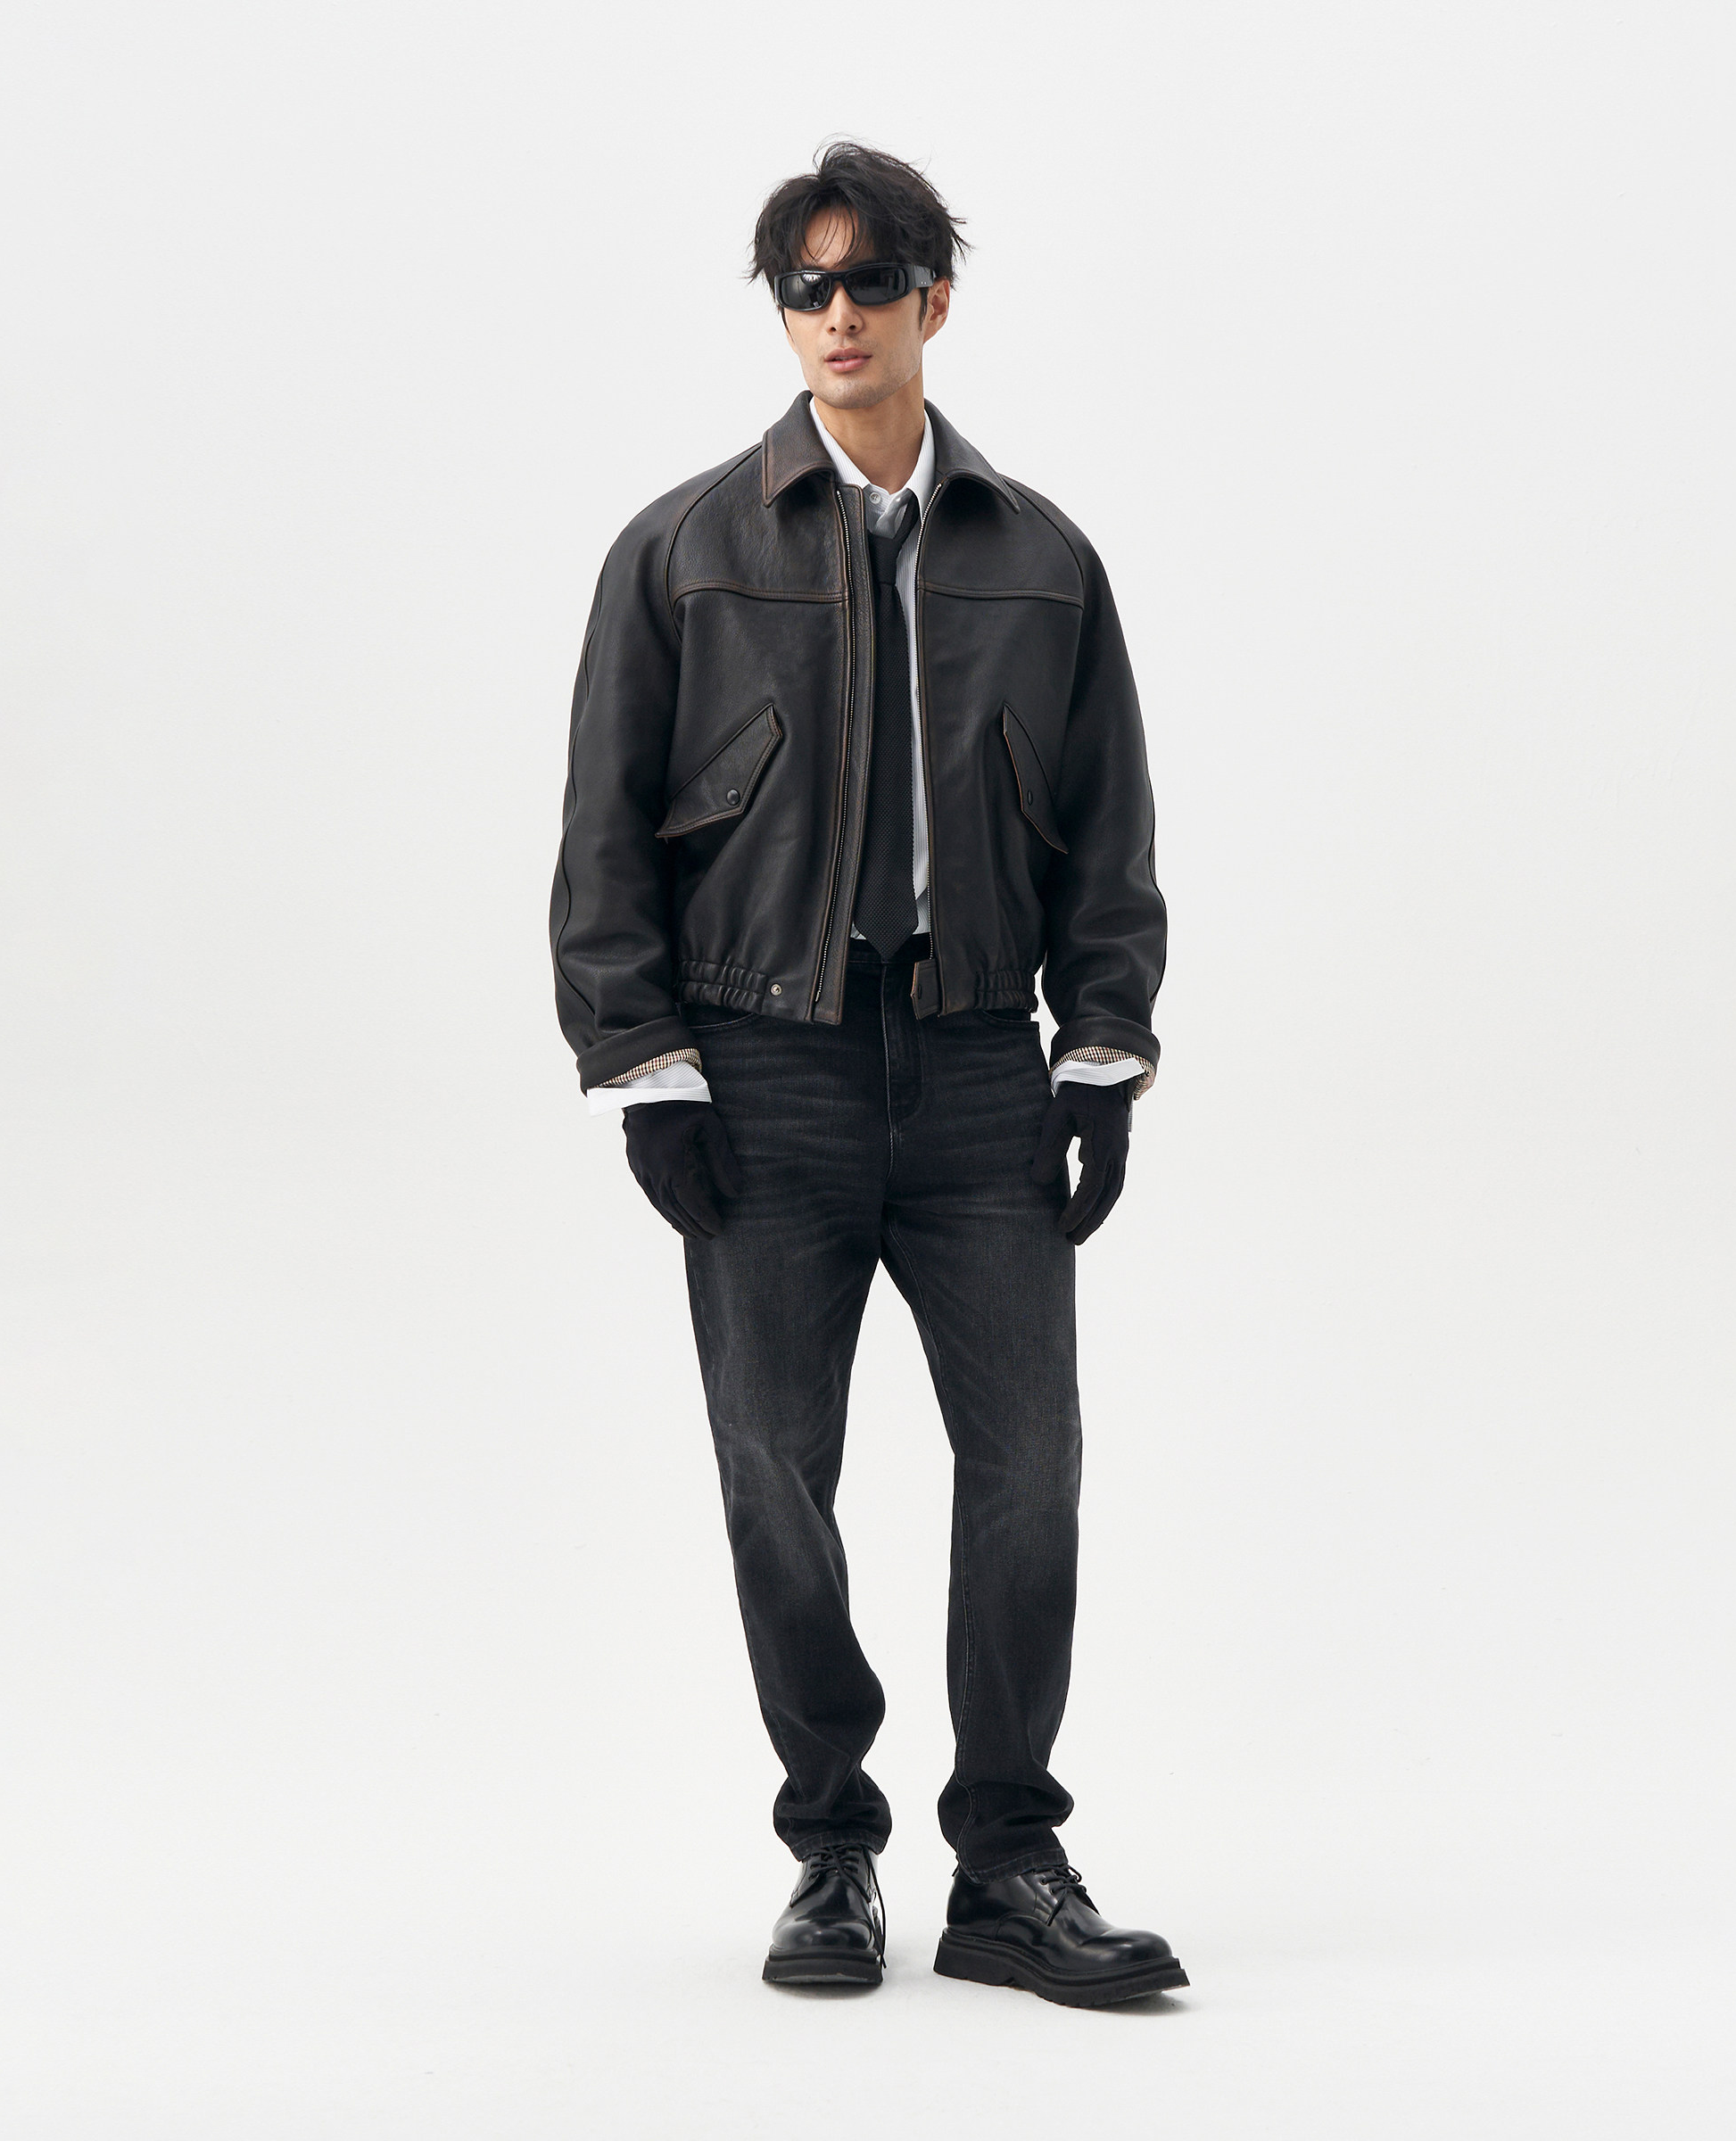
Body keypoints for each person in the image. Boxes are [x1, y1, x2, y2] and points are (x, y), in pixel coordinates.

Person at [549, 142, 1181, 2007]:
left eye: (868, 283)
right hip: (764, 1070)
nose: (836, 316)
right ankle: (831, 1848)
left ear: (934, 301)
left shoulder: (1044, 559)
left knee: (1033, 1467)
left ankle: (1009, 1864)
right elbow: (603, 835)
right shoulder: (681, 551)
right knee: (776, 1472)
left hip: (980, 1066)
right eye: (804, 288)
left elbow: (1107, 829)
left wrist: (1104, 1048)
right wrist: (648, 1067)